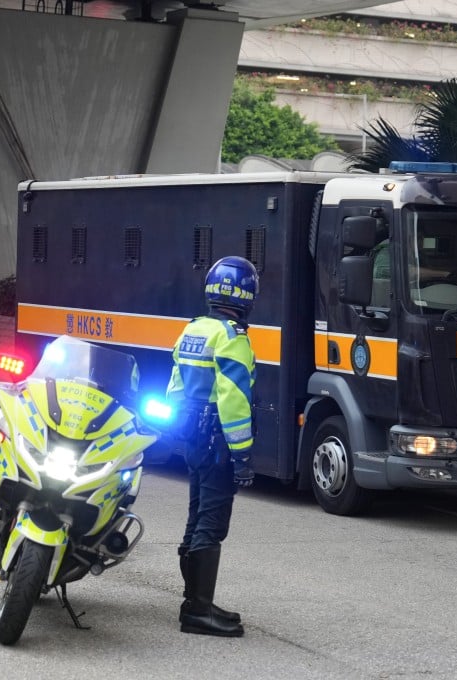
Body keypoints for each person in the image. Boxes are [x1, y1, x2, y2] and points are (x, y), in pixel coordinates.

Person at [166, 255, 258, 638]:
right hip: (217, 439)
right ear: (247, 296)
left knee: (196, 515)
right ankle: (197, 612)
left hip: (193, 437)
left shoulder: (194, 329)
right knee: (212, 522)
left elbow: (175, 386)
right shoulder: (231, 337)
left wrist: (183, 431)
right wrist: (242, 455)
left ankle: (194, 600)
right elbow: (234, 401)